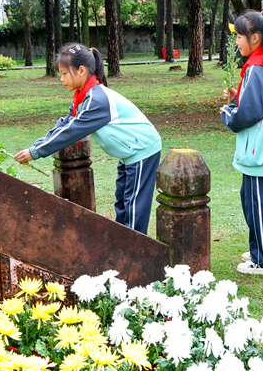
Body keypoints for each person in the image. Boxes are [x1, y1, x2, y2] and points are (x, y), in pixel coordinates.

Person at [13, 43, 162, 234]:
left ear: (81, 71)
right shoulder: (83, 96)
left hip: (142, 150)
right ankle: (123, 246)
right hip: (130, 152)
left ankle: (136, 255)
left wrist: (35, 152)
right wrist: (37, 145)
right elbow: (64, 125)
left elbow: (71, 131)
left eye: (65, 73)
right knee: (122, 203)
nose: (61, 79)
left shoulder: (96, 100)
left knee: (134, 207)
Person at [220, 9, 263, 275]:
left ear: (256, 38)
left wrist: (228, 112)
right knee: (259, 203)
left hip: (259, 151)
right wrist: (240, 96)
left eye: (239, 36)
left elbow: (248, 114)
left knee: (257, 205)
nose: (237, 41)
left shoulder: (256, 70)